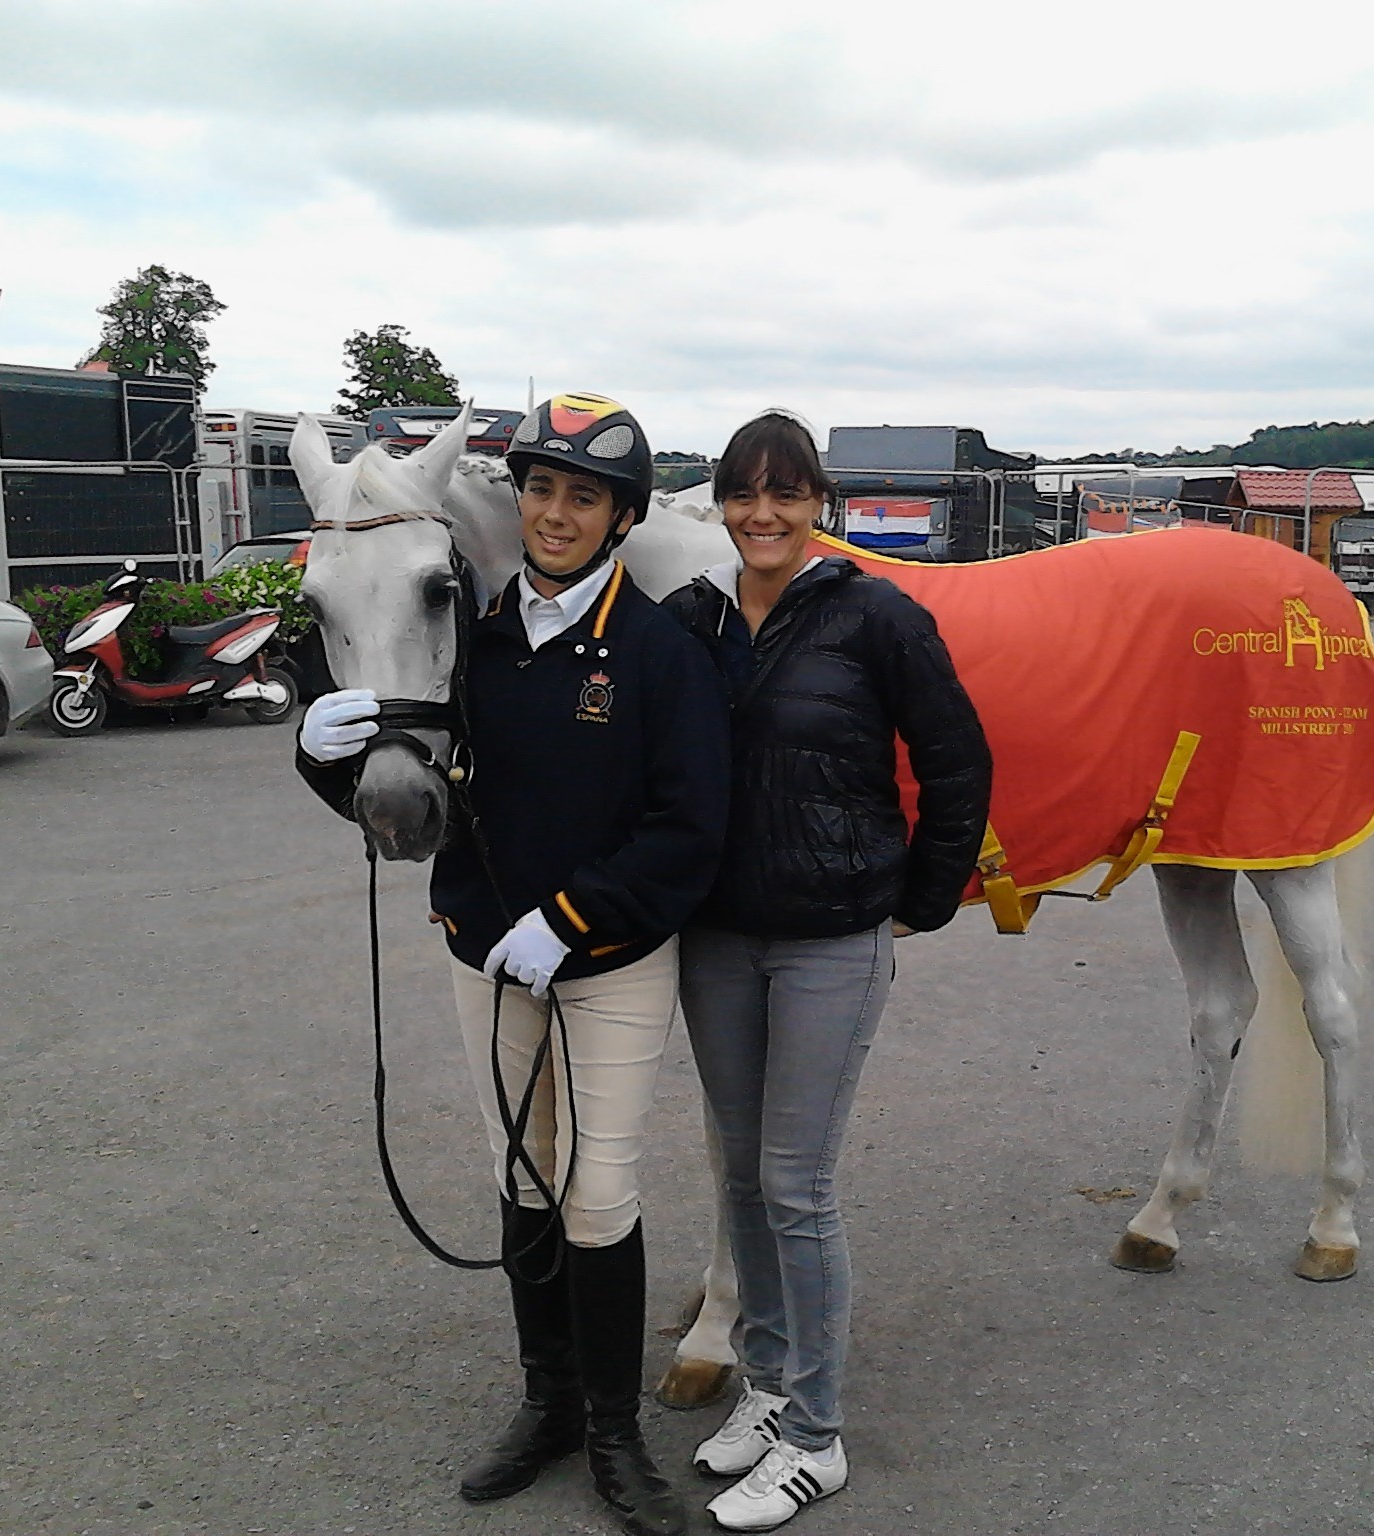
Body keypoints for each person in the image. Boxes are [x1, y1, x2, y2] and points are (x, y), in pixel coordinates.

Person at [295, 393, 730, 1536]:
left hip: (610, 960)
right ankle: (545, 1402)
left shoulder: (656, 648)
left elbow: (690, 825)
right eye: (540, 488)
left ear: (618, 518)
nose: (553, 513)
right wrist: (320, 756)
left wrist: (572, 918)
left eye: (582, 497)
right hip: (484, 949)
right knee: (522, 1178)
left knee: (596, 1188)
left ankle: (612, 1431)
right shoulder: (470, 636)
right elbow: (411, 783)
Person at [661, 411, 992, 1531]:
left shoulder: (875, 614)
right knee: (741, 1176)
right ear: (718, 500)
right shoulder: (689, 618)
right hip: (714, 937)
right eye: (744, 492)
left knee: (796, 1186)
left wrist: (918, 900)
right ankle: (765, 1385)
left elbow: (957, 760)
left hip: (829, 939)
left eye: (785, 493)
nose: (763, 513)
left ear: (818, 505)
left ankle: (815, 1433)